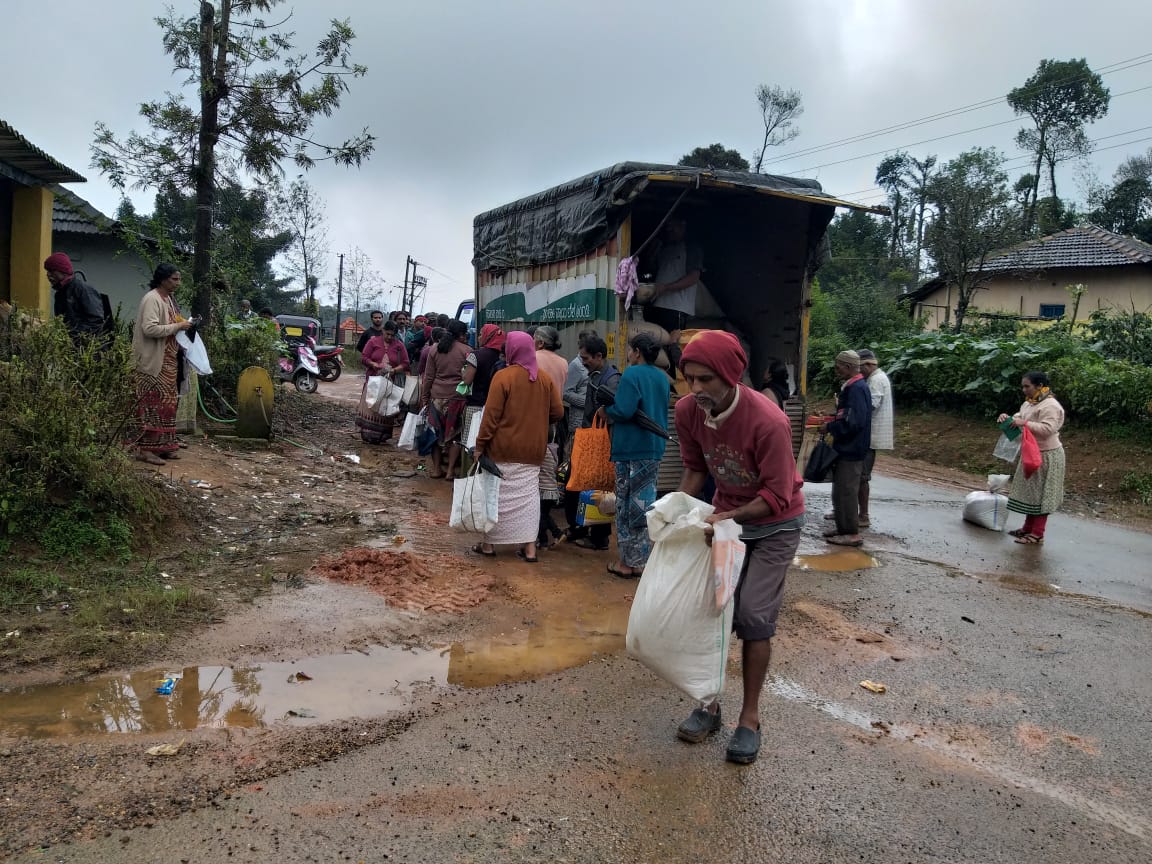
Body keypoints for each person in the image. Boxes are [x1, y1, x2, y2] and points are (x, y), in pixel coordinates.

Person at [673, 330, 805, 764]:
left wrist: (725, 518)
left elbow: (777, 495)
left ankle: (749, 720)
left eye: (705, 380)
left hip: (775, 526)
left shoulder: (769, 421)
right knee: (716, 611)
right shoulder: (688, 412)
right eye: (689, 379)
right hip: (726, 520)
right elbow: (695, 470)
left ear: (730, 376)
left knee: (752, 615)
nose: (696, 390)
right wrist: (677, 513)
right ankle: (708, 706)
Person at [472, 331, 564, 562]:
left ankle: (489, 545)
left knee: (496, 496)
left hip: (502, 448)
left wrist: (480, 445)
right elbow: (558, 412)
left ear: (511, 350)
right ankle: (530, 549)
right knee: (528, 499)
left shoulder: (503, 377)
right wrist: (537, 420)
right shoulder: (543, 378)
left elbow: (490, 417)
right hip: (533, 450)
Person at [604, 332, 671, 578]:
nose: (629, 353)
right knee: (643, 506)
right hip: (653, 448)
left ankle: (626, 564)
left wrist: (606, 410)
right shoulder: (663, 378)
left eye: (630, 349)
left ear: (637, 352)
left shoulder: (632, 373)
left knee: (624, 506)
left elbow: (624, 409)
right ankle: (639, 561)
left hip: (630, 448)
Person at [130, 264, 194, 465]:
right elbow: (149, 329)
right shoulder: (152, 299)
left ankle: (164, 446)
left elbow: (172, 323)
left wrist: (185, 325)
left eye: (179, 279)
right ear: (163, 279)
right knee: (151, 404)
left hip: (169, 359)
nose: (178, 283)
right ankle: (145, 450)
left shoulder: (169, 299)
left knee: (167, 403)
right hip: (152, 361)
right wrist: (178, 326)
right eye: (174, 279)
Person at [561, 335, 620, 550]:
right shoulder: (597, 375)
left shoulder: (611, 379)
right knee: (585, 485)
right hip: (592, 440)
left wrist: (600, 413)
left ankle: (597, 536)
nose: (583, 362)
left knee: (595, 487)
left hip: (600, 444)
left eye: (586, 358)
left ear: (599, 356)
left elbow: (614, 412)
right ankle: (586, 530)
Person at [998, 371, 1065, 545]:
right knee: (1032, 494)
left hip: (1047, 455)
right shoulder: (1029, 403)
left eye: (1027, 386)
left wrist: (1024, 423)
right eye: (1023, 386)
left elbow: (1047, 429)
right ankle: (1027, 529)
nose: (1024, 390)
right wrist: (1008, 418)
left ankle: (1037, 534)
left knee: (1042, 495)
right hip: (1031, 452)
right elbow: (1020, 417)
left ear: (1039, 386)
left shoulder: (1051, 406)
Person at [822, 350, 872, 548]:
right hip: (847, 448)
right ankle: (843, 528)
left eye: (839, 367)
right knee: (840, 490)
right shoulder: (854, 387)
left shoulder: (856, 389)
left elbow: (854, 422)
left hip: (852, 449)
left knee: (847, 491)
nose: (836, 370)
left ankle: (851, 533)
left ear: (849, 367)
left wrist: (831, 427)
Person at [642, 217, 703, 376]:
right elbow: (650, 271)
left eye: (673, 227)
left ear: (683, 225)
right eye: (667, 228)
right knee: (654, 348)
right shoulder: (664, 248)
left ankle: (674, 387)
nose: (669, 231)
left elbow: (693, 277)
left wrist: (666, 288)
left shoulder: (691, 248)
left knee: (671, 347)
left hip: (676, 308)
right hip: (657, 304)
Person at [421, 320, 471, 480]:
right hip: (457, 398)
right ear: (462, 334)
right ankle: (450, 471)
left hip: (436, 397)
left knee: (435, 434)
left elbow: (428, 377)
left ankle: (436, 469)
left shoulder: (434, 349)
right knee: (455, 435)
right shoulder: (467, 351)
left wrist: (424, 397)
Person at [356, 320, 411, 444]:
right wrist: (373, 364)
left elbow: (406, 363)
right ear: (383, 331)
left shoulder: (399, 345)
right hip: (373, 381)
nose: (389, 337)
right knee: (371, 406)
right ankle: (368, 434)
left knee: (385, 408)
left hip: (390, 382)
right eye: (387, 334)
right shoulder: (373, 342)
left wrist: (395, 370)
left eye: (392, 335)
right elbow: (364, 357)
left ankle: (382, 436)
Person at [857, 349, 894, 528]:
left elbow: (870, 404)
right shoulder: (874, 379)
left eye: (861, 368)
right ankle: (853, 512)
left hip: (870, 436)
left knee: (862, 477)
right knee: (859, 476)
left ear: (870, 365)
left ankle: (863, 515)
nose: (860, 372)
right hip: (868, 435)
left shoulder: (876, 380)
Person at [462, 323, 506, 448]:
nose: (478, 337)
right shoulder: (506, 357)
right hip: (496, 408)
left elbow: (466, 381)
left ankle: (470, 467)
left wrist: (463, 372)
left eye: (481, 334)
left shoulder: (476, 355)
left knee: (470, 443)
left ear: (488, 336)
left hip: (475, 406)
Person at [43, 252, 104, 342]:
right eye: (47, 271)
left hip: (87, 347)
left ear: (63, 271)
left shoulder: (82, 290)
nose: (48, 275)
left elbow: (96, 320)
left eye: (51, 271)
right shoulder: (60, 294)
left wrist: (74, 336)